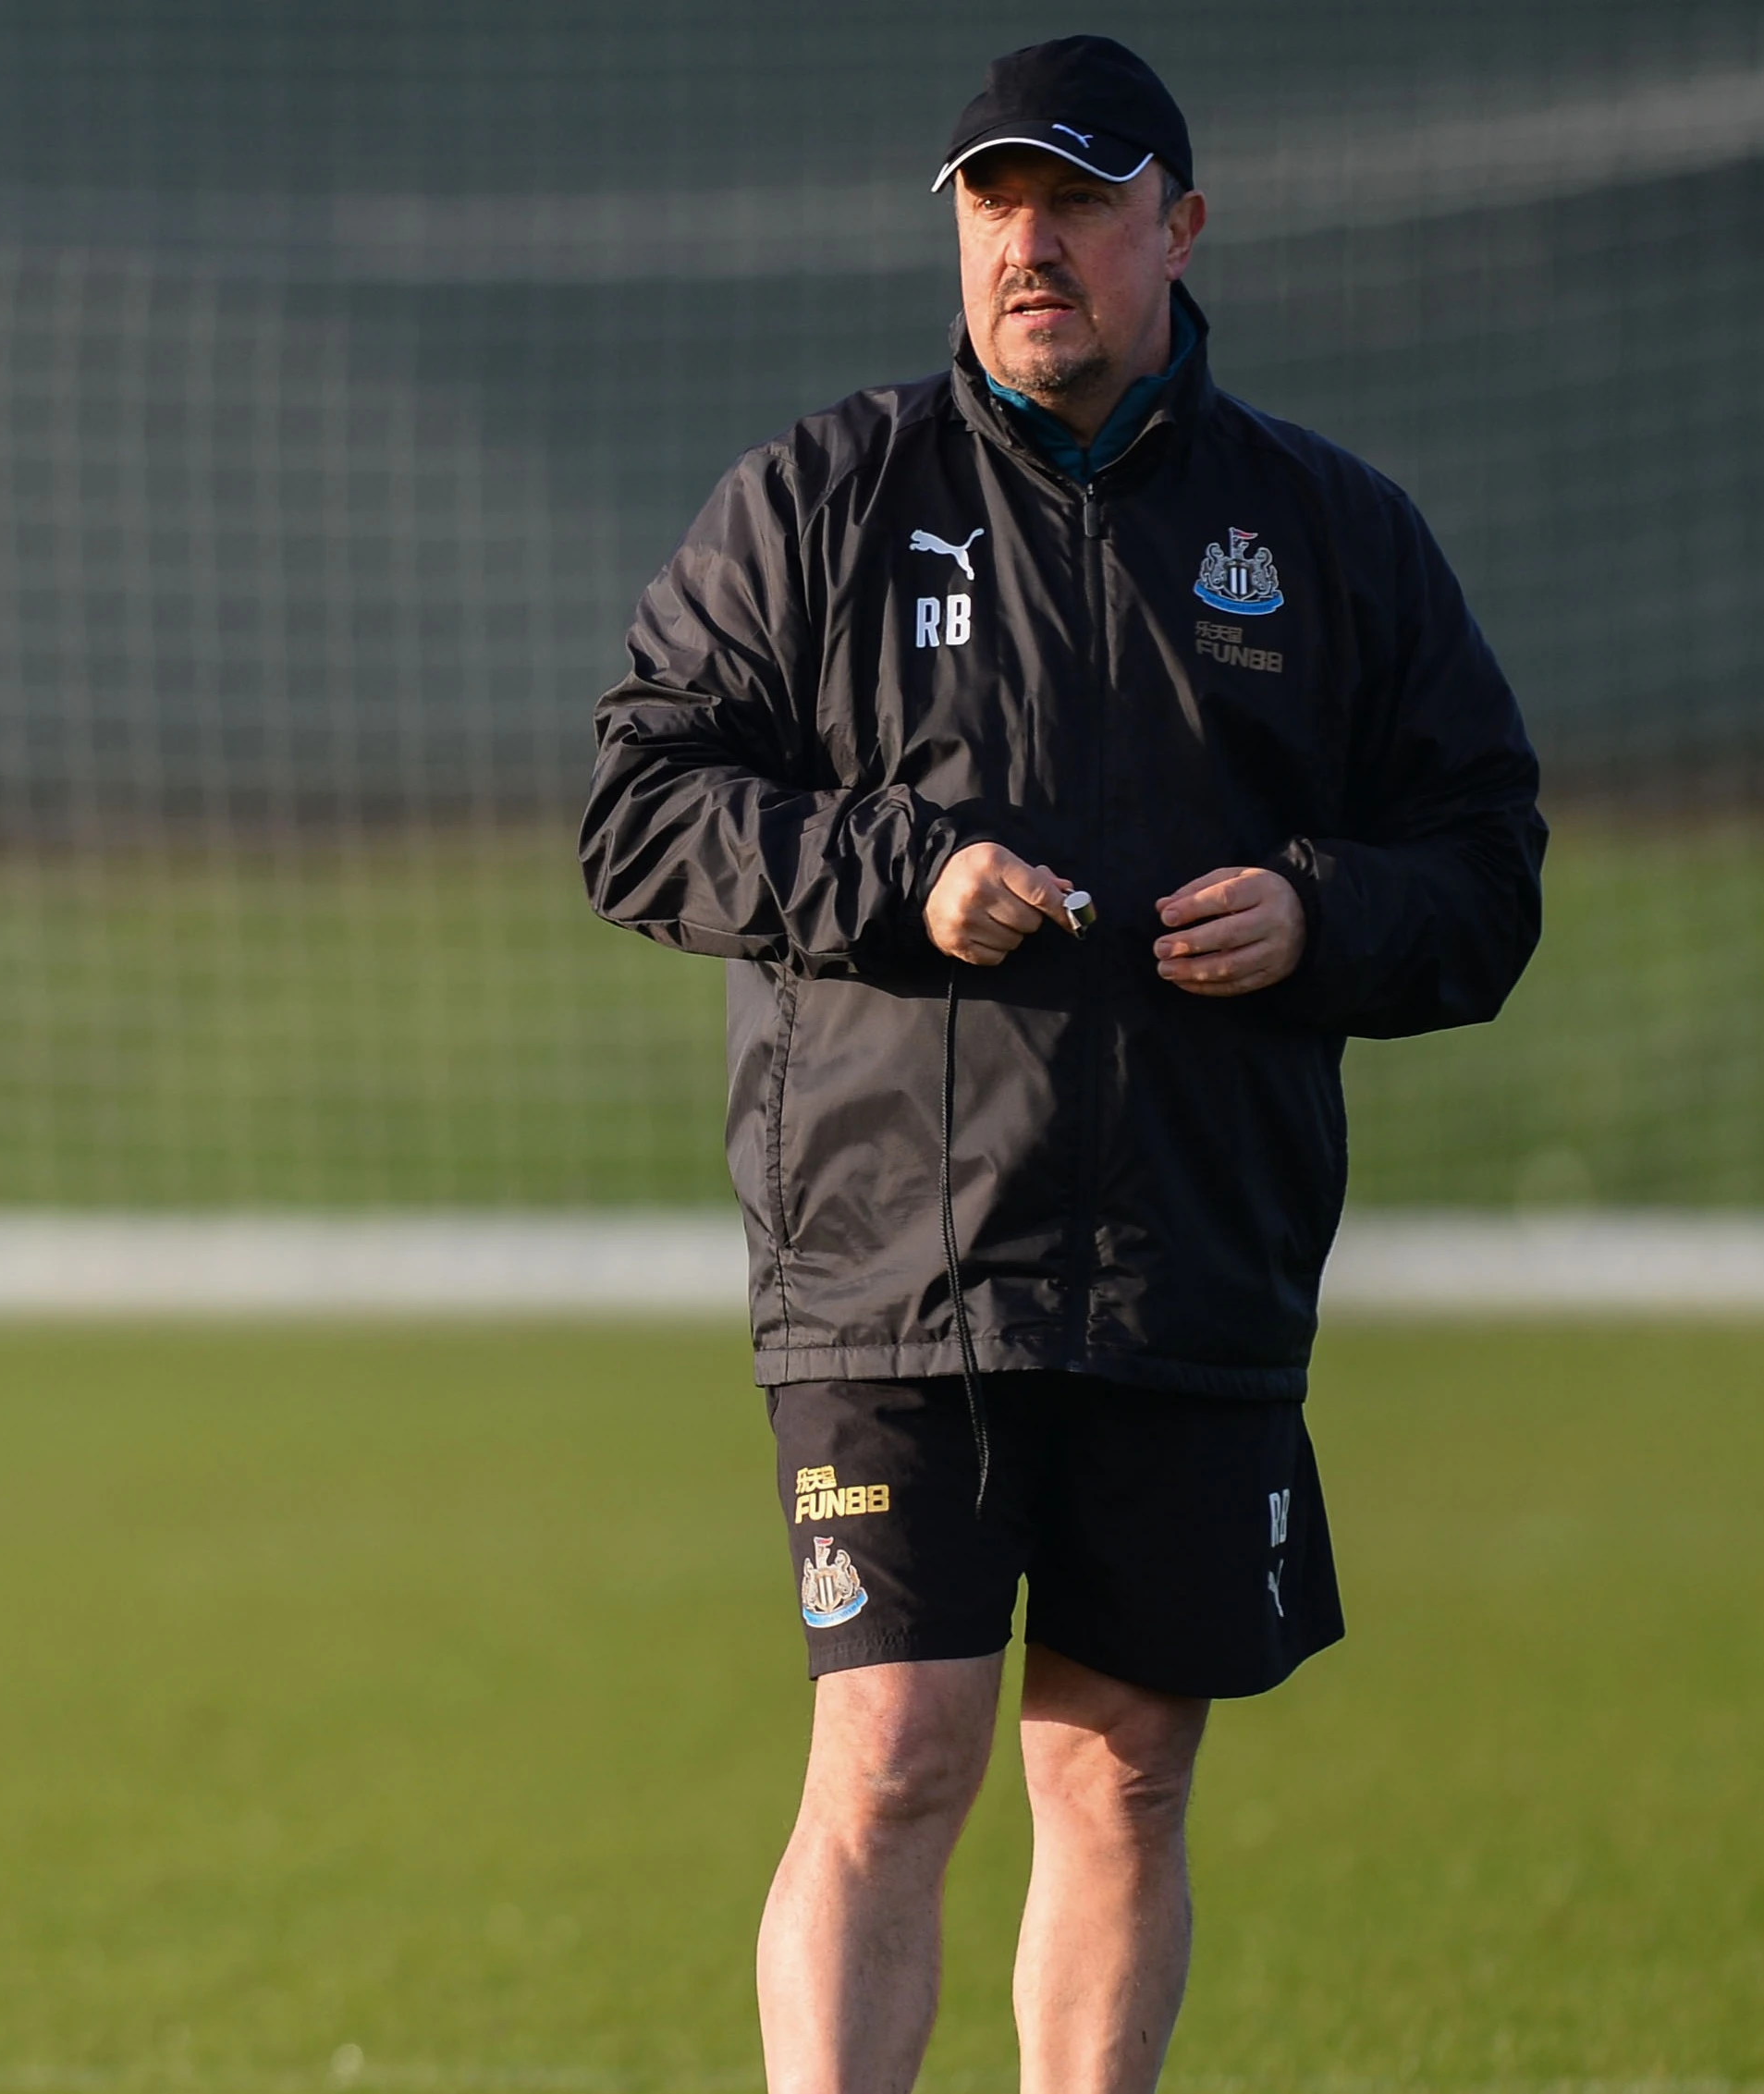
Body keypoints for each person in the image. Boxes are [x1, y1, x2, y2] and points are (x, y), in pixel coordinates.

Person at [576, 36, 1545, 2094]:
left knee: (1117, 1776)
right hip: (886, 1253)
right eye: (989, 206)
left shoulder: (1324, 532)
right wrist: (896, 880)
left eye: (1076, 201)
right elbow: (638, 811)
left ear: (1176, 229)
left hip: (1185, 1250)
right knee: (895, 1748)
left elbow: (1481, 871)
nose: (1027, 243)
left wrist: (1316, 914)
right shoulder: (818, 501)